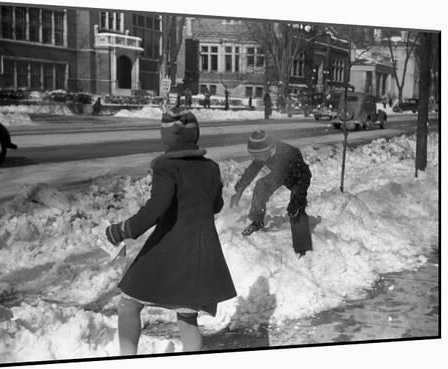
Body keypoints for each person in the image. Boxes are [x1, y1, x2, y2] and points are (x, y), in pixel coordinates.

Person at [105, 105, 237, 355]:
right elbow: (216, 205)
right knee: (187, 318)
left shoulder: (166, 167)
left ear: (167, 138)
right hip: (201, 253)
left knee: (128, 304)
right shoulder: (211, 168)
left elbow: (156, 208)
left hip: (170, 249)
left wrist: (122, 230)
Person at [230, 130, 313, 257]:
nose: (256, 159)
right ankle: (257, 221)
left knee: (296, 210)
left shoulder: (290, 154)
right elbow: (252, 170)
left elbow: (303, 180)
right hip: (280, 173)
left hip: (298, 177)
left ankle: (303, 247)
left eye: (258, 155)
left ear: (269, 150)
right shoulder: (264, 152)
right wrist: (239, 190)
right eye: (254, 155)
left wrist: (296, 200)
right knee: (261, 186)